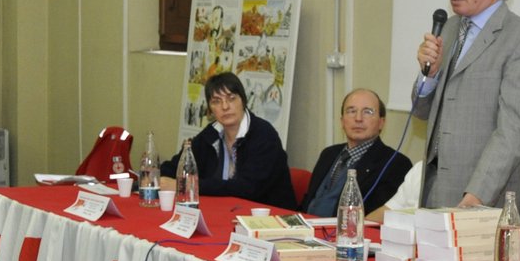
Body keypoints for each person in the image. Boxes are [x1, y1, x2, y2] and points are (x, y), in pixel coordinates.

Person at [412, 0, 520, 214]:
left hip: (483, 198)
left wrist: (476, 196)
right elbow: (422, 112)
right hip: (434, 188)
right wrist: (429, 77)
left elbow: (513, 131)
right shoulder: (448, 28)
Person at [159, 71, 296, 208]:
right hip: (223, 212)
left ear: (243, 100)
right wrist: (153, 176)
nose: (225, 107)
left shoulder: (264, 135)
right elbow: (176, 166)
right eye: (216, 101)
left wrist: (187, 185)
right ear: (210, 110)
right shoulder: (211, 134)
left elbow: (246, 189)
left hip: (270, 217)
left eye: (231, 99)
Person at [301, 87, 412, 215]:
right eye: (351, 111)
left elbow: (375, 218)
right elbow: (309, 201)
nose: (358, 118)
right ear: (342, 121)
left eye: (368, 112)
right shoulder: (329, 154)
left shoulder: (395, 164)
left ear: (381, 122)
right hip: (306, 229)